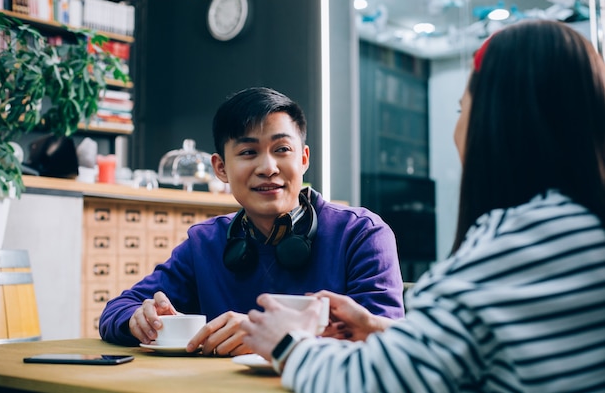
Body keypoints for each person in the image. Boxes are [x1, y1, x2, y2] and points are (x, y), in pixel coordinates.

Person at [241, 20, 605, 392]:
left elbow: (377, 384)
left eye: (463, 110)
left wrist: (287, 343)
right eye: (248, 152)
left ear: (498, 123)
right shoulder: (577, 232)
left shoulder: (518, 246)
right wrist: (382, 330)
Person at [99, 86, 405, 356]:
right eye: (248, 152)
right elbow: (117, 309)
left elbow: (387, 341)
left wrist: (270, 338)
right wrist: (139, 318)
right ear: (220, 169)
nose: (268, 167)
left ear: (303, 158)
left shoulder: (362, 234)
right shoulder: (204, 243)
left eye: (282, 149)